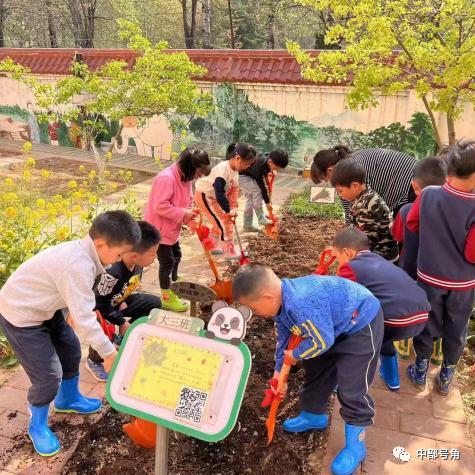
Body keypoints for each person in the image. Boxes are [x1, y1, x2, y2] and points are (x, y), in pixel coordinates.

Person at [0, 211, 141, 457]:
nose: (120, 260)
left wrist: (67, 309)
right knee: (48, 375)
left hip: (45, 307)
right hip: (21, 315)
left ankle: (68, 399)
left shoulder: (89, 254)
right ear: (100, 244)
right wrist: (108, 353)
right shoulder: (78, 264)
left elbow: (69, 295)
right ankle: (37, 425)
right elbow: (86, 318)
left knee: (71, 349)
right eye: (119, 254)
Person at [232, 264, 383, 475]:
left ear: (267, 297)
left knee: (352, 387)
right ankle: (314, 416)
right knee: (317, 369)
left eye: (255, 309)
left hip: (359, 323)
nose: (257, 314)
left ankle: (356, 446)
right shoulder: (280, 304)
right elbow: (284, 341)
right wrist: (278, 376)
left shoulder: (301, 303)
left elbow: (322, 340)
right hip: (329, 326)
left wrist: (295, 355)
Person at [406, 143, 475, 395]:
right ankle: (445, 377)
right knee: (457, 328)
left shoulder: (428, 194)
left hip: (429, 276)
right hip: (463, 284)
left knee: (427, 322)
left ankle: (420, 370)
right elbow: (472, 253)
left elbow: (412, 224)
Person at [333, 228, 430, 391]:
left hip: (395, 321)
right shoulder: (377, 259)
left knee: (352, 333)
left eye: (337, 257)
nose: (338, 262)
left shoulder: (350, 268)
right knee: (382, 333)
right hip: (421, 316)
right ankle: (392, 378)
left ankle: (342, 382)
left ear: (347, 253)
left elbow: (340, 301)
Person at [87, 220, 162, 382]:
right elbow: (97, 303)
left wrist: (123, 301)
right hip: (98, 308)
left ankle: (125, 337)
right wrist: (121, 322)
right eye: (153, 254)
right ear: (134, 255)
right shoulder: (112, 272)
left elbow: (126, 286)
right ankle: (95, 359)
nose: (155, 258)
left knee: (153, 304)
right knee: (100, 325)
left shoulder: (137, 263)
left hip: (116, 303)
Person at [144, 148, 211, 312]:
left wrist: (190, 217)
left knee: (177, 256)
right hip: (159, 230)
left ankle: (174, 283)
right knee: (167, 262)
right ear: (189, 167)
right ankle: (167, 296)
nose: (198, 177)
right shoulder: (166, 178)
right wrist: (184, 213)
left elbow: (187, 200)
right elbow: (160, 206)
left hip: (171, 228)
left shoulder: (185, 179)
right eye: (198, 173)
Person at [311, 146, 417, 223]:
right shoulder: (352, 159)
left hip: (412, 187)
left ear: (330, 170)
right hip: (419, 178)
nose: (333, 185)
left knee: (407, 238)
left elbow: (352, 212)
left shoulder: (347, 172)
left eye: (327, 180)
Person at [195, 143, 257, 260]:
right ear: (238, 158)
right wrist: (228, 210)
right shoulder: (223, 169)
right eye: (247, 164)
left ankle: (211, 246)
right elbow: (219, 192)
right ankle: (228, 250)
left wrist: (233, 207)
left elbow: (234, 190)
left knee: (220, 222)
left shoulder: (235, 171)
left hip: (214, 198)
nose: (247, 167)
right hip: (205, 196)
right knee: (225, 221)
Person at [330, 159, 399, 262]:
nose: (339, 195)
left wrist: (342, 250)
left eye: (340, 191)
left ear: (355, 186)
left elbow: (364, 242)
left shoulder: (367, 205)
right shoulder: (362, 197)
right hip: (375, 252)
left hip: (382, 257)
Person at [392, 157, 448, 279]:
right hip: (444, 276)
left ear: (414, 186)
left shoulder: (406, 211)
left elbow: (397, 236)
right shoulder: (453, 210)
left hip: (409, 274)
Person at [238, 149, 289, 232]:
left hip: (249, 176)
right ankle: (261, 217)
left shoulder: (268, 158)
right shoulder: (259, 166)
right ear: (270, 162)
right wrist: (267, 202)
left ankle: (247, 225)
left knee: (250, 200)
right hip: (242, 177)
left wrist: (271, 171)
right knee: (258, 191)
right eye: (277, 167)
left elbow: (265, 174)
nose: (277, 169)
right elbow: (262, 186)